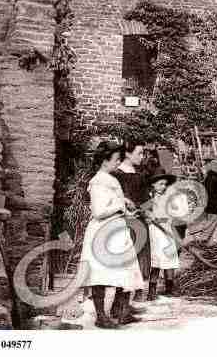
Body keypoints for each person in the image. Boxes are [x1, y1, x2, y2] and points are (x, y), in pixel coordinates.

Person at [79, 141, 144, 328]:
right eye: (116, 159)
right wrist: (120, 204)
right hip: (104, 230)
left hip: (115, 228)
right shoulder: (99, 181)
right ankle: (101, 316)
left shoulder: (110, 178)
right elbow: (99, 211)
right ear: (105, 161)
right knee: (101, 272)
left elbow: (113, 205)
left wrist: (125, 208)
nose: (118, 163)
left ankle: (121, 312)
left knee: (126, 269)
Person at [111, 139, 150, 308]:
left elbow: (146, 200)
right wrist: (124, 201)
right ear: (127, 153)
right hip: (123, 222)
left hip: (139, 221)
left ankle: (128, 302)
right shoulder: (116, 174)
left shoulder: (141, 175)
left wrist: (147, 210)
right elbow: (111, 197)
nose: (142, 157)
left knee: (138, 258)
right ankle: (118, 305)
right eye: (139, 153)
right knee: (125, 261)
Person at [145, 167, 180, 301]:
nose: (163, 186)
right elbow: (144, 212)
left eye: (165, 184)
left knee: (169, 258)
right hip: (155, 231)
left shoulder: (168, 198)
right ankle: (152, 290)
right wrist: (149, 217)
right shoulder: (149, 198)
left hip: (166, 230)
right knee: (156, 259)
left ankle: (169, 288)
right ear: (153, 184)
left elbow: (172, 213)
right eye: (160, 184)